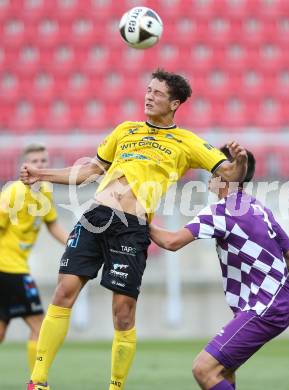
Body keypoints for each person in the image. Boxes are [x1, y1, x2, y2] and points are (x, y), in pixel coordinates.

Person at [21, 69, 248, 390]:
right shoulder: (125, 130)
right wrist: (41, 174)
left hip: (133, 227)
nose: (149, 96)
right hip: (95, 216)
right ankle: (38, 382)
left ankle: (116, 387)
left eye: (157, 93)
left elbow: (229, 172)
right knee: (63, 292)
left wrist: (238, 161)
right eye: (148, 90)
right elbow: (89, 170)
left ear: (175, 103)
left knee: (123, 313)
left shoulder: (187, 142)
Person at [150, 147, 289, 390]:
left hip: (264, 306)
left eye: (215, 166)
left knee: (203, 368)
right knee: (223, 371)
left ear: (228, 173)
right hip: (277, 301)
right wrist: (265, 279)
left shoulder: (220, 212)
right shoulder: (258, 207)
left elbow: (171, 241)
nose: (210, 173)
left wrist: (137, 215)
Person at [0, 143, 68, 374]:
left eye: (43, 161)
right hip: (9, 269)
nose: (40, 165)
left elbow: (53, 224)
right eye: (35, 162)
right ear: (24, 166)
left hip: (15, 267)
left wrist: (75, 245)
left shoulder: (45, 190)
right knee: (40, 326)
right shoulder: (14, 193)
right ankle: (36, 382)